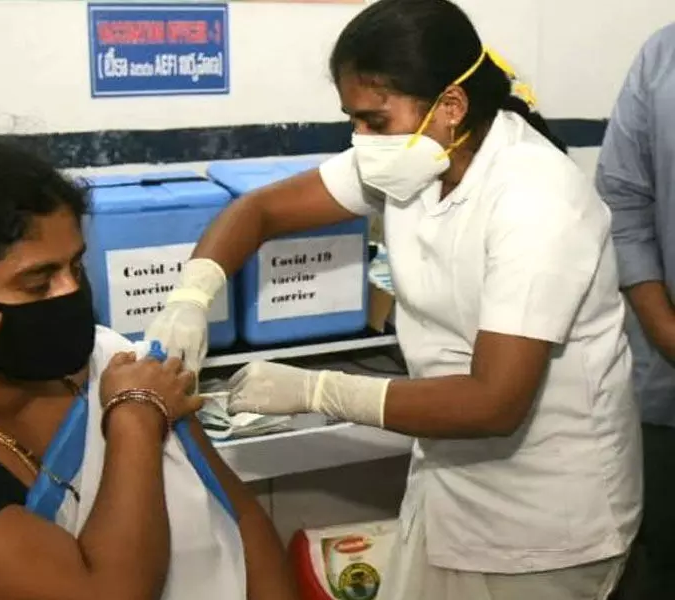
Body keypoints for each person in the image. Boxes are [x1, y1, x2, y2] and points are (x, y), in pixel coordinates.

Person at [145, 0, 642, 598]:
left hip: (546, 516)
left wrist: (316, 391)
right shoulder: (412, 163)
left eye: (375, 121)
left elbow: (494, 403)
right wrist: (191, 296)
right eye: (352, 120)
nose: (362, 140)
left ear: (451, 107)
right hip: (449, 484)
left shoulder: (536, 200)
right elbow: (261, 209)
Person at [0, 138, 296, 600]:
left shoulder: (108, 361)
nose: (69, 294)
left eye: (75, 267)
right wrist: (134, 421)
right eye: (37, 283)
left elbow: (241, 522)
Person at [595, 23, 675, 600]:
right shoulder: (662, 56)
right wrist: (664, 328)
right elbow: (623, 201)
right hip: (666, 382)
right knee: (657, 560)